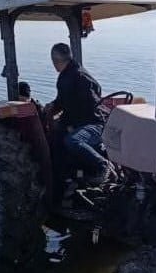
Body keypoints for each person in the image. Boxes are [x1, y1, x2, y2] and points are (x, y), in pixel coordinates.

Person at [45, 43, 112, 185]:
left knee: (72, 140)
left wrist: (64, 121)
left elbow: (72, 105)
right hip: (95, 120)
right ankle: (73, 177)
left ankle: (102, 165)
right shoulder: (81, 72)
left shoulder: (69, 78)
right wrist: (55, 106)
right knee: (58, 137)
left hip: (94, 124)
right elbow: (69, 101)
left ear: (55, 60)